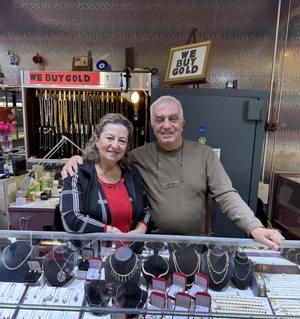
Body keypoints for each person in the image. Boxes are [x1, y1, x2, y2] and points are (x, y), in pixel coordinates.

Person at [62, 96, 284, 250]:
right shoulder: (138, 156)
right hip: (154, 247)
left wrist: (254, 227)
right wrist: (78, 159)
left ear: (182, 122)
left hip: (198, 247)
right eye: (159, 120)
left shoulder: (204, 154)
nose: (166, 125)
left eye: (173, 118)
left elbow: (227, 195)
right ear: (152, 125)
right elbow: (107, 156)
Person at [60, 113, 150, 234]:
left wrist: (141, 229)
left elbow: (146, 210)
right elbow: (72, 219)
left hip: (128, 251)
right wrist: (109, 231)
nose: (115, 145)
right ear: (97, 140)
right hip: (90, 251)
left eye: (122, 141)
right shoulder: (78, 173)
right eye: (110, 138)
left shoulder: (132, 173)